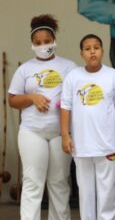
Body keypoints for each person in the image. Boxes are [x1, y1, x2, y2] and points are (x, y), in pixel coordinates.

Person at [8, 14, 76, 220]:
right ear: (32, 44)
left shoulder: (69, 66)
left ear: (54, 41)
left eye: (47, 41)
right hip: (32, 132)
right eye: (38, 43)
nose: (43, 45)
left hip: (60, 133)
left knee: (59, 182)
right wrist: (31, 97)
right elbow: (12, 99)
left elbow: (75, 97)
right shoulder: (24, 69)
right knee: (32, 181)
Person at [60, 34, 115, 220]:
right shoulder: (73, 76)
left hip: (107, 143)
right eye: (88, 48)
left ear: (102, 51)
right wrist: (66, 136)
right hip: (81, 145)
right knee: (85, 192)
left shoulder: (113, 75)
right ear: (81, 53)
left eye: (96, 47)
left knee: (107, 190)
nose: (92, 51)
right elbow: (65, 108)